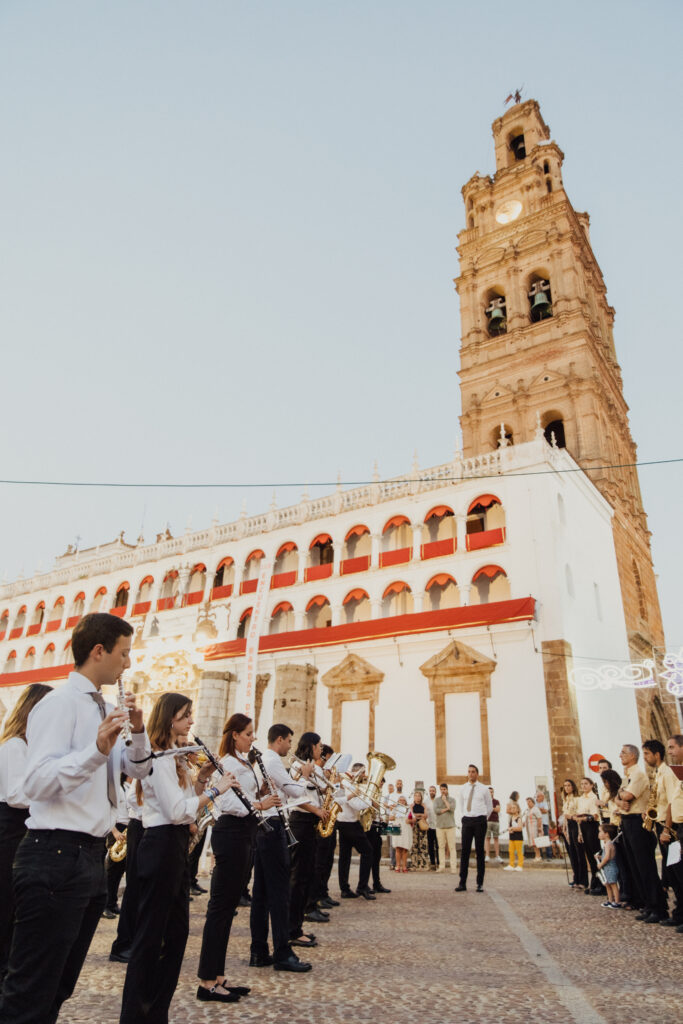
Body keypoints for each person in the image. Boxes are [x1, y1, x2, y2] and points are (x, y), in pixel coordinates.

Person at [0, 613, 150, 1024]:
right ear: (98, 651)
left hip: (87, 856)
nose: (129, 663)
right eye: (124, 653)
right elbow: (37, 783)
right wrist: (96, 749)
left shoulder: (101, 706)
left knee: (60, 985)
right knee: (30, 988)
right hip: (54, 854)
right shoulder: (59, 703)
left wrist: (136, 733)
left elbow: (135, 771)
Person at [120, 693, 237, 1021]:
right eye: (186, 715)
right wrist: (217, 790)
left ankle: (156, 1011)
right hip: (159, 844)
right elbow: (175, 810)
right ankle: (135, 1014)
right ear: (170, 718)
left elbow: (186, 801)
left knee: (175, 936)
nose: (191, 721)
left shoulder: (176, 757)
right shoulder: (156, 757)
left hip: (172, 846)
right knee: (150, 939)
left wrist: (202, 780)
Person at [194, 712, 277, 1002]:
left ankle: (218, 976)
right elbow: (227, 800)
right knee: (220, 908)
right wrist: (260, 803)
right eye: (249, 734)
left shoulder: (242, 762)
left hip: (245, 832)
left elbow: (246, 796)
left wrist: (261, 792)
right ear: (234, 735)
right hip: (231, 832)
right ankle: (206, 982)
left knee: (228, 908)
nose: (253, 738)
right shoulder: (227, 763)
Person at [249, 723, 313, 972]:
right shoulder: (272, 759)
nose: (290, 746)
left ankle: (258, 950)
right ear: (279, 740)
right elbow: (294, 791)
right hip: (272, 826)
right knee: (278, 893)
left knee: (262, 893)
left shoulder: (266, 760)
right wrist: (305, 776)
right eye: (288, 741)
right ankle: (282, 952)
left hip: (264, 826)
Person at [0, 683, 53, 979]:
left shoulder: (30, 748)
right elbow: (17, 795)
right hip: (10, 830)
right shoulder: (14, 746)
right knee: (6, 904)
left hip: (21, 830)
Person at [615, 743, 667, 923]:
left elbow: (627, 796)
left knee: (646, 867)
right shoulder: (627, 775)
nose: (620, 755)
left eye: (623, 753)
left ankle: (658, 907)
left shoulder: (638, 774)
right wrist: (620, 799)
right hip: (627, 821)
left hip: (638, 822)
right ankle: (648, 904)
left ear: (632, 756)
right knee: (636, 866)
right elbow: (619, 796)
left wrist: (621, 796)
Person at [287, 732, 328, 942]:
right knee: (298, 878)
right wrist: (317, 811)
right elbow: (296, 798)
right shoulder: (297, 767)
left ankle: (297, 927)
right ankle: (292, 930)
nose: (321, 749)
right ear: (311, 746)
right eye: (319, 745)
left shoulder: (313, 767)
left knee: (307, 875)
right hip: (300, 822)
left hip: (310, 824)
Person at [642, 738, 682, 927]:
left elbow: (673, 803)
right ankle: (678, 912)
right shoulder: (659, 773)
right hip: (662, 823)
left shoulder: (667, 773)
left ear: (656, 755)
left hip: (671, 826)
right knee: (671, 873)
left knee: (676, 872)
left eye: (647, 754)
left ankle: (680, 913)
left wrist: (666, 828)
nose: (646, 758)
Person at [110, 777, 144, 963]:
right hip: (140, 826)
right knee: (133, 890)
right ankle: (122, 944)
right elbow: (133, 798)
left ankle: (135, 941)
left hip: (149, 827)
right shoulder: (147, 765)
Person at [336, 763, 375, 897]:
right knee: (368, 851)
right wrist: (370, 799)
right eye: (363, 773)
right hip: (349, 823)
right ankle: (362, 887)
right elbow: (356, 805)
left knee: (345, 856)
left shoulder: (349, 783)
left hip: (345, 822)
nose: (364, 776)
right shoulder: (348, 784)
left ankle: (345, 889)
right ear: (357, 772)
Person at [455, 765, 493, 892]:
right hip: (467, 820)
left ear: (477, 774)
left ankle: (480, 883)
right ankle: (462, 883)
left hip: (480, 821)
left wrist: (482, 817)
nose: (471, 774)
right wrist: (467, 815)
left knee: (479, 851)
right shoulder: (463, 788)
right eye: (469, 772)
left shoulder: (484, 789)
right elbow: (461, 804)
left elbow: (489, 806)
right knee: (465, 851)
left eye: (473, 772)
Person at [103, 775, 130, 918]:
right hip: (117, 829)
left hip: (126, 828)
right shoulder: (117, 788)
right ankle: (106, 905)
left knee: (119, 871)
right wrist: (114, 832)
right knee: (112, 871)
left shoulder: (128, 788)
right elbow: (107, 810)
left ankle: (112, 903)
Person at [576, 778, 604, 894]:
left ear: (592, 785)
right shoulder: (580, 799)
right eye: (582, 784)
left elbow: (595, 816)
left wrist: (583, 818)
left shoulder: (594, 797)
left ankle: (601, 883)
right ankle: (594, 881)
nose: (584, 786)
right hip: (583, 827)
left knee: (595, 854)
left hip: (592, 826)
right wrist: (579, 832)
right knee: (589, 856)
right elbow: (578, 818)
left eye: (586, 784)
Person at [561, 779, 585, 889]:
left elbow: (577, 814)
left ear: (573, 787)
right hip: (568, 825)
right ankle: (576, 878)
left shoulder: (577, 799)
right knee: (572, 853)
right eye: (565, 786)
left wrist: (570, 817)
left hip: (576, 824)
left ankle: (583, 880)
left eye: (569, 785)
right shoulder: (565, 800)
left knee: (578, 852)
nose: (567, 788)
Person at [434, 783, 457, 874]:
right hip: (440, 826)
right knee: (441, 847)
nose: (443, 791)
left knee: (452, 847)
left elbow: (452, 808)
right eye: (441, 789)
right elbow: (436, 811)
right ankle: (442, 866)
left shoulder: (452, 799)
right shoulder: (436, 800)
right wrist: (446, 809)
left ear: (447, 790)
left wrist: (446, 802)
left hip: (450, 826)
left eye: (444, 789)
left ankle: (453, 867)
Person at [596, 823, 620, 908]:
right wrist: (599, 856)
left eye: (600, 831)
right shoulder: (607, 844)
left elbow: (607, 857)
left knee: (613, 884)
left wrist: (600, 864)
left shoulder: (608, 844)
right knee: (607, 884)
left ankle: (617, 901)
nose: (598, 833)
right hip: (607, 868)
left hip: (610, 867)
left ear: (606, 834)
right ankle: (610, 900)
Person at [408, 790, 430, 871]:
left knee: (423, 845)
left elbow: (426, 815)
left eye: (419, 796)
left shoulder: (424, 805)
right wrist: (420, 815)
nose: (417, 797)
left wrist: (418, 816)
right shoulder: (411, 806)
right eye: (416, 796)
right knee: (414, 845)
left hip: (422, 826)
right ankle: (414, 864)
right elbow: (412, 815)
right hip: (414, 827)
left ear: (421, 797)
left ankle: (423, 865)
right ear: (414, 797)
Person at [390, 796, 412, 872]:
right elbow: (390, 818)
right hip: (397, 827)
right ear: (398, 801)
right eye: (400, 800)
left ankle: (404, 866)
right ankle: (397, 866)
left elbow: (413, 818)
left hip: (406, 828)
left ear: (405, 801)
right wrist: (394, 815)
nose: (402, 801)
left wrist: (410, 820)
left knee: (405, 848)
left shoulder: (409, 809)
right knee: (398, 847)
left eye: (403, 800)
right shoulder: (395, 809)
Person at [504, 792, 524, 871]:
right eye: (512, 808)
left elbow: (520, 828)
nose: (513, 809)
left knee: (519, 852)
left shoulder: (519, 818)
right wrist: (510, 829)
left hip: (518, 838)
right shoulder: (511, 818)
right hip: (511, 837)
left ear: (518, 809)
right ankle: (511, 864)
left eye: (514, 808)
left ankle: (520, 865)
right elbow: (510, 827)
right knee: (511, 851)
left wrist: (512, 829)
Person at [484, 787, 502, 863]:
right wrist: (493, 808)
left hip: (495, 821)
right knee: (487, 839)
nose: (490, 793)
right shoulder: (484, 801)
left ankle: (497, 856)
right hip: (487, 821)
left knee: (496, 839)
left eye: (492, 792)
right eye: (489, 792)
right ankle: (487, 856)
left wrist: (490, 808)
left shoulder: (496, 801)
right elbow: (483, 809)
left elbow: (498, 809)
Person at [523, 796, 543, 861]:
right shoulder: (528, 810)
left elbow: (539, 818)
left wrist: (539, 827)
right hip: (530, 828)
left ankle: (538, 856)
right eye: (527, 802)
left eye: (529, 802)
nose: (528, 803)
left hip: (534, 827)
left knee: (535, 842)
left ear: (533, 802)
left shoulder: (535, 809)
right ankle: (536, 856)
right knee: (533, 842)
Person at [424, 786, 439, 870]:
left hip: (438, 826)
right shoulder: (426, 801)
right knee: (430, 846)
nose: (431, 792)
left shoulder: (438, 801)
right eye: (430, 791)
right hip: (429, 826)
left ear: (435, 792)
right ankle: (433, 863)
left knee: (438, 846)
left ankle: (439, 863)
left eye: (433, 791)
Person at [535, 790, 552, 859]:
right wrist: (540, 809)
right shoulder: (535, 803)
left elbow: (545, 811)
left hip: (544, 823)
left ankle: (549, 855)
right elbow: (535, 811)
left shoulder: (545, 803)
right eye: (541, 796)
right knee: (538, 839)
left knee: (546, 838)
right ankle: (540, 855)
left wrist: (539, 810)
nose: (543, 797)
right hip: (537, 824)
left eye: (543, 796)